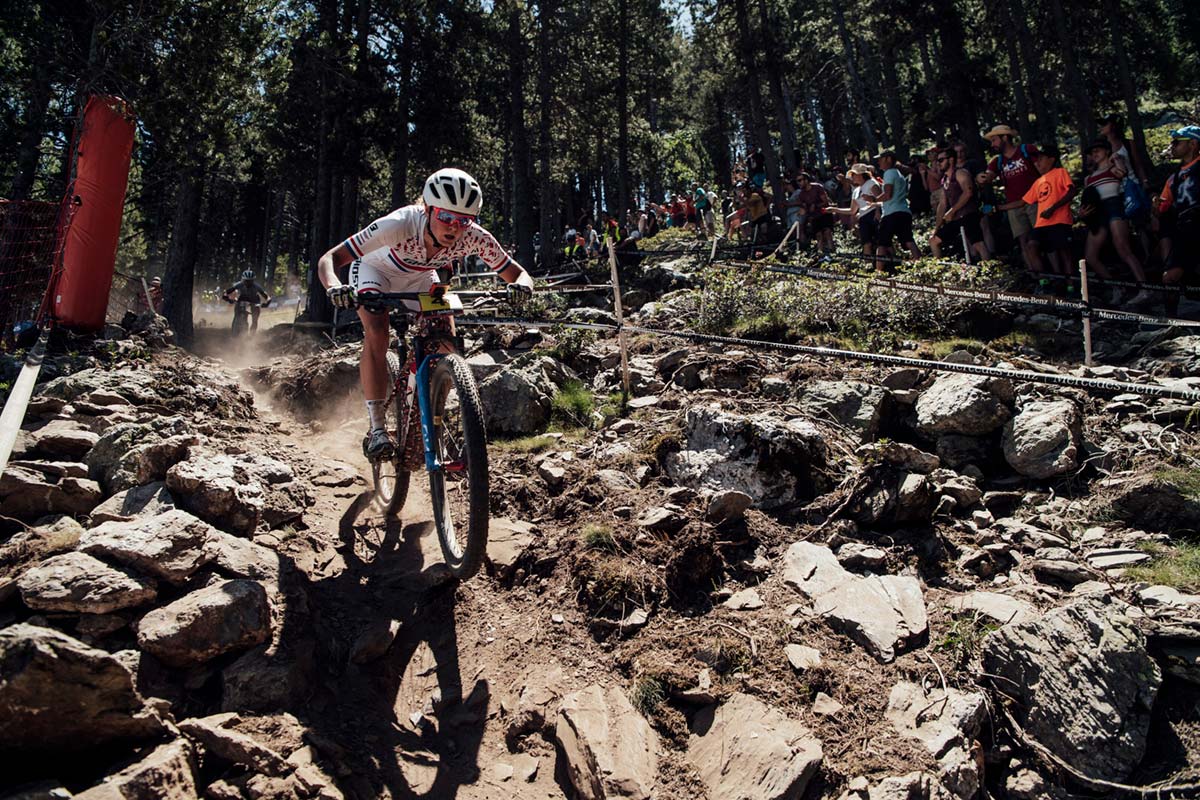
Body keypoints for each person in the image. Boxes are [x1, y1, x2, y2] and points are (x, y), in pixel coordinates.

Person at [317, 167, 535, 460]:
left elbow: (518, 273)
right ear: (428, 208)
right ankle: (378, 427)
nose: (454, 228)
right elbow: (329, 259)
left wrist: (522, 286)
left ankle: (433, 418)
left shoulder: (474, 237)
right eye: (446, 217)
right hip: (375, 271)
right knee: (378, 332)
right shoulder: (399, 223)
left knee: (447, 336)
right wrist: (334, 286)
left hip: (421, 277)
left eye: (464, 220)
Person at [1080, 138, 1151, 303]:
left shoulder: (1113, 168)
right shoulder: (1088, 178)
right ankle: (1117, 288)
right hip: (1097, 213)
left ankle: (1145, 288)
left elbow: (1123, 173)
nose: (1094, 154)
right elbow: (1087, 198)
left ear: (1106, 151)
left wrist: (1117, 159)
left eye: (1098, 150)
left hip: (1114, 206)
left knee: (1123, 248)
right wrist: (1083, 213)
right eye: (1092, 152)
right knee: (1090, 256)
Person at [978, 124, 1041, 271]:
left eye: (994, 140)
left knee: (1043, 238)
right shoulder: (997, 162)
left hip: (1036, 202)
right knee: (1023, 241)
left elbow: (1042, 169)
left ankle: (1056, 275)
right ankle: (1037, 277)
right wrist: (980, 178)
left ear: (1005, 137)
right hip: (1013, 207)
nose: (992, 144)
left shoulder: (1027, 150)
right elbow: (988, 177)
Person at [1015, 144, 1076, 282]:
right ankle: (1044, 281)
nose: (1037, 162)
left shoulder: (1060, 172)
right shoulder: (1038, 182)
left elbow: (1072, 191)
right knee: (1031, 246)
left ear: (1051, 159)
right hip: (1041, 224)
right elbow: (1022, 202)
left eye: (1041, 158)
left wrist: (1053, 208)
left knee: (1065, 253)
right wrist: (997, 208)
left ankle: (1071, 286)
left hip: (1060, 221)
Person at [1156, 127, 1200, 317]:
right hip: (1185, 230)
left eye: (1176, 142)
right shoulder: (1172, 179)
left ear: (1192, 143)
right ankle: (1170, 324)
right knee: (1170, 278)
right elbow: (1162, 211)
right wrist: (1155, 206)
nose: (1171, 146)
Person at [930, 148, 990, 262]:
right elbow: (942, 204)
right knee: (934, 240)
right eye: (938, 160)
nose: (938, 163)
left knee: (978, 245)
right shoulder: (944, 180)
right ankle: (938, 270)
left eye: (941, 160)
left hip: (968, 215)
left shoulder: (960, 173)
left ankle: (990, 270)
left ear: (951, 159)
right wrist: (937, 227)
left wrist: (952, 211)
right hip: (956, 218)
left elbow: (968, 192)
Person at [872, 150, 922, 269]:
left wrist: (873, 200)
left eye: (881, 159)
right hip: (903, 211)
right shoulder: (897, 173)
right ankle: (921, 266)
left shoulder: (889, 172)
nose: (878, 162)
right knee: (909, 240)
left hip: (891, 214)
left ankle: (879, 275)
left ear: (888, 159)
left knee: (882, 244)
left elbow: (887, 195)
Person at [826, 164, 881, 258]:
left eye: (854, 174)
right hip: (863, 218)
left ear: (861, 175)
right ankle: (868, 265)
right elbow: (852, 210)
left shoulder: (871, 183)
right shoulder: (856, 191)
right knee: (866, 243)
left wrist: (877, 211)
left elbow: (880, 199)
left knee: (881, 242)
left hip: (873, 215)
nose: (852, 177)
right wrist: (834, 209)